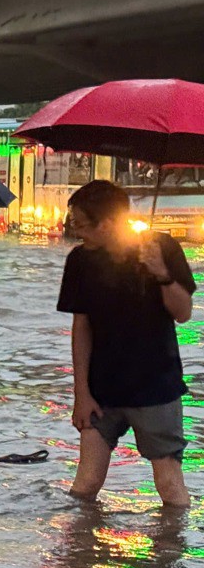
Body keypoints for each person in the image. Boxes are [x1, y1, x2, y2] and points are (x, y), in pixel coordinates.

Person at [58, 180, 193, 507]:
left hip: (155, 387)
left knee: (169, 486)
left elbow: (184, 312)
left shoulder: (161, 248)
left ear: (106, 224)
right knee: (85, 484)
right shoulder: (80, 261)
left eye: (82, 225)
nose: (77, 233)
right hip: (101, 390)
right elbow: (82, 326)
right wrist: (81, 393)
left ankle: (171, 554)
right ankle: (79, 550)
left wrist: (161, 272)